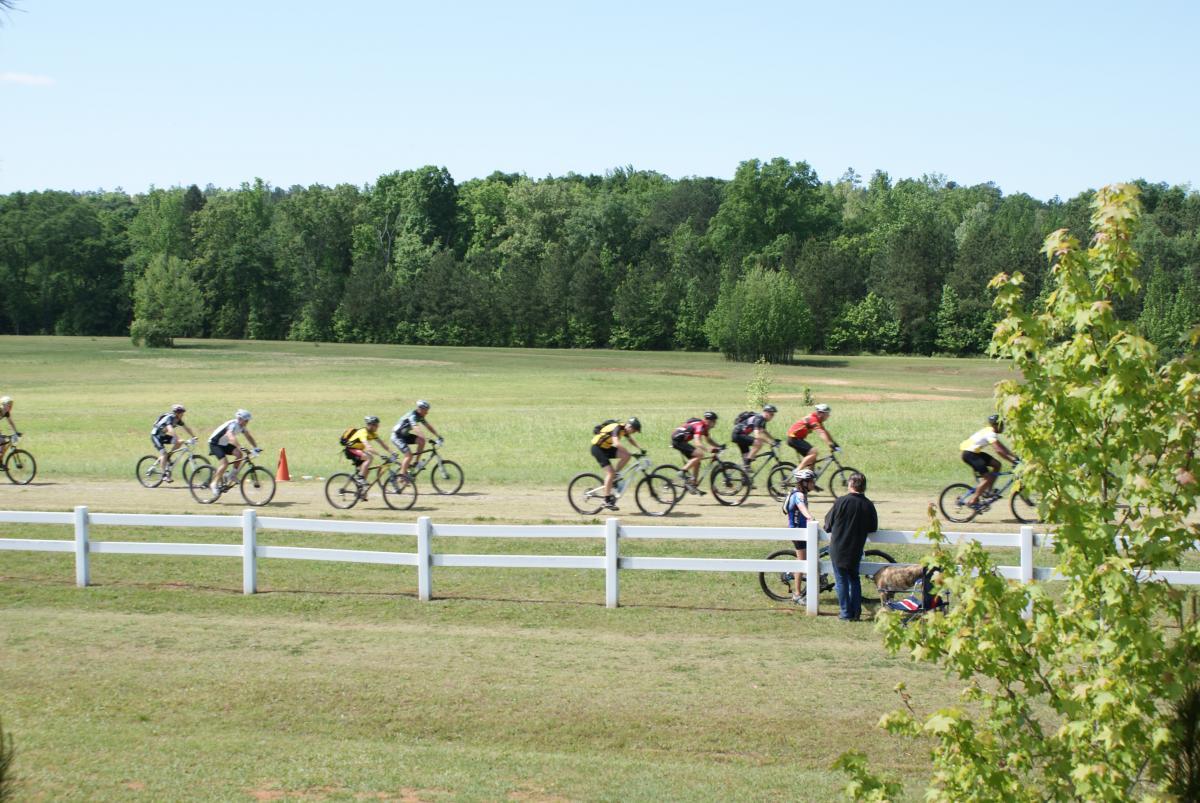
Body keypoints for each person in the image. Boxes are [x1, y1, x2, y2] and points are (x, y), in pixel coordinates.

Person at [823, 472, 878, 621]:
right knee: (854, 579)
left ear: (851, 484)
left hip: (838, 548)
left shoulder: (841, 502)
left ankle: (845, 613)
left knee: (841, 581)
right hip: (855, 549)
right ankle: (856, 612)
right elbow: (873, 527)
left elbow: (827, 524)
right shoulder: (868, 504)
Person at [959, 414, 1018, 507]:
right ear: (995, 425)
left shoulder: (990, 431)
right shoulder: (990, 433)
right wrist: (1013, 461)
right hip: (970, 454)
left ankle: (988, 491)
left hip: (974, 452)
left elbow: (1002, 448)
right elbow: (999, 451)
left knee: (997, 465)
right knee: (988, 477)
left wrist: (1014, 456)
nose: (1003, 426)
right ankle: (973, 500)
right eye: (1001, 424)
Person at [591, 417, 644, 511]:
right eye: (634, 430)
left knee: (627, 456)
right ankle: (606, 500)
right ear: (630, 427)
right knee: (610, 472)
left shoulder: (625, 429)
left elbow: (630, 440)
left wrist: (640, 448)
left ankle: (615, 476)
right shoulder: (617, 428)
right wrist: (627, 450)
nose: (634, 432)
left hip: (606, 448)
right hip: (597, 448)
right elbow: (616, 443)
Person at [782, 467, 817, 603]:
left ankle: (795, 575)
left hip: (802, 531)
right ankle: (797, 594)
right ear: (803, 482)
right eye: (811, 481)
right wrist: (810, 517)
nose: (813, 484)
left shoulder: (799, 493)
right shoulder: (799, 495)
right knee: (802, 562)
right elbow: (802, 507)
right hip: (798, 532)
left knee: (806, 559)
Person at [208, 409, 260, 493]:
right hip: (214, 443)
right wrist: (239, 446)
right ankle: (213, 483)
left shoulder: (242, 427)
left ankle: (232, 475)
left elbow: (248, 436)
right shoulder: (233, 425)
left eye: (248, 421)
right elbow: (230, 437)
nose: (247, 422)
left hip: (223, 444)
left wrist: (255, 447)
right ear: (240, 419)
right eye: (246, 420)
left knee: (239, 454)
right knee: (225, 463)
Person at [670, 411, 721, 494]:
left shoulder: (705, 428)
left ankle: (693, 485)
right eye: (714, 421)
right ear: (708, 421)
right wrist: (708, 450)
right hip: (677, 440)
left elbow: (709, 440)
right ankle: (682, 472)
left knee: (697, 461)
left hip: (682, 441)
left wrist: (719, 446)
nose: (715, 424)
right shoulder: (700, 426)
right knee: (700, 454)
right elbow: (697, 442)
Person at [392, 400, 442, 480]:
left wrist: (438, 436)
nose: (427, 413)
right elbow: (415, 427)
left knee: (421, 441)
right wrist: (422, 435)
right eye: (426, 410)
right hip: (397, 436)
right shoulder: (413, 416)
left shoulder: (420, 416)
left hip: (404, 435)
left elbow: (428, 426)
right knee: (409, 456)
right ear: (420, 409)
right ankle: (401, 477)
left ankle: (416, 463)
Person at [344, 415, 397, 488]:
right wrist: (380, 455)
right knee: (369, 458)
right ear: (371, 425)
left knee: (366, 471)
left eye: (378, 425)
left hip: (358, 450)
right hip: (350, 450)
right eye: (376, 425)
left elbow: (383, 444)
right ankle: (360, 479)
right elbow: (368, 447)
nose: (378, 427)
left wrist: (393, 452)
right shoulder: (363, 432)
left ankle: (361, 492)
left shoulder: (373, 433)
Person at [150, 404, 197, 480]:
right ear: (177, 413)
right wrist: (176, 438)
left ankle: (168, 457)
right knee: (164, 454)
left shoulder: (178, 420)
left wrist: (193, 436)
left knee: (180, 442)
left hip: (162, 436)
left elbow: (186, 428)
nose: (183, 414)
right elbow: (170, 429)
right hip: (156, 436)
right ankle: (164, 475)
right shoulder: (170, 418)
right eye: (182, 413)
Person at [787, 403, 837, 474]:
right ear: (821, 413)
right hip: (793, 438)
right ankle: (797, 471)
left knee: (812, 459)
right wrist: (830, 444)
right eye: (827, 414)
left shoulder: (817, 420)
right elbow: (821, 433)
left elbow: (825, 432)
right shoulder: (813, 419)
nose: (828, 416)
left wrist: (835, 443)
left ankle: (810, 480)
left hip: (797, 438)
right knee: (814, 452)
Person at [731, 404, 778, 470]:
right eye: (771, 414)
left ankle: (744, 476)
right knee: (758, 443)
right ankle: (747, 462)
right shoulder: (759, 419)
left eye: (773, 415)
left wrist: (774, 440)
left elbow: (764, 432)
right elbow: (757, 435)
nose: (772, 416)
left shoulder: (763, 420)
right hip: (738, 435)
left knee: (747, 465)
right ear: (766, 413)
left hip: (740, 435)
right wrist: (770, 442)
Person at [0, 396, 17, 463]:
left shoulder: (6, 412)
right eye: (8, 404)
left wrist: (16, 432)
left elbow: (11, 423)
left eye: (11, 404)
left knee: (3, 441)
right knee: (2, 439)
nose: (10, 406)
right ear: (3, 404)